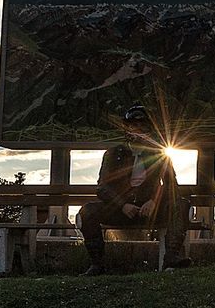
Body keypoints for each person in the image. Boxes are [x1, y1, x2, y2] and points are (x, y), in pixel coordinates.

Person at [79, 104, 188, 275]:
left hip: (150, 211)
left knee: (181, 205)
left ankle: (171, 259)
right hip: (120, 210)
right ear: (127, 128)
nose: (138, 130)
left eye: (143, 127)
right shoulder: (113, 154)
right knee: (88, 211)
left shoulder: (161, 154)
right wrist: (122, 205)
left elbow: (171, 186)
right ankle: (97, 265)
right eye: (134, 126)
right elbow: (102, 187)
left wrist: (154, 201)